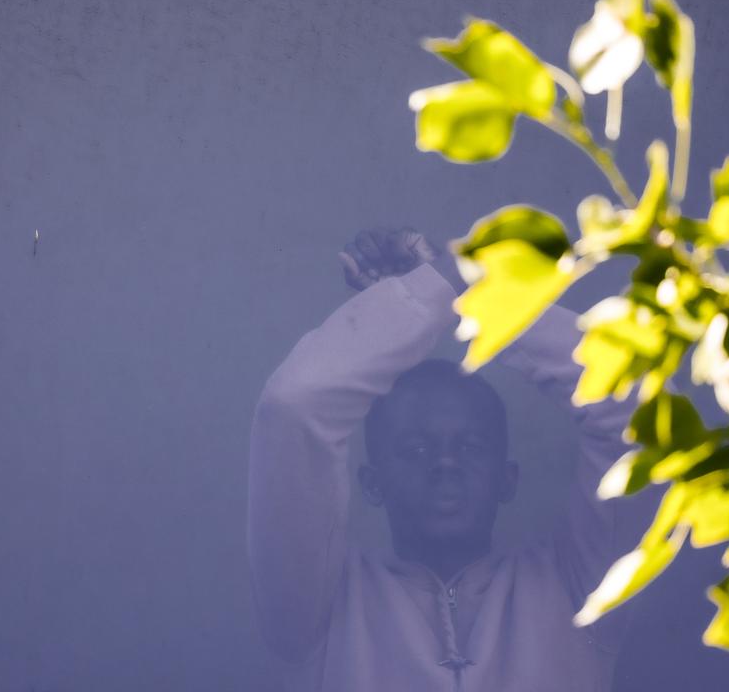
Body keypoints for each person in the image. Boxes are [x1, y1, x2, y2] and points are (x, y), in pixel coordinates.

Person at [248, 227, 649, 691]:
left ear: (507, 479)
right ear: (373, 483)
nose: (446, 464)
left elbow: (638, 411)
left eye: (471, 446)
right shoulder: (317, 610)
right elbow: (294, 407)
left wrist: (472, 296)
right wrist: (425, 294)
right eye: (416, 449)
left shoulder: (584, 594)